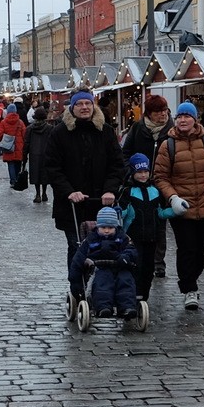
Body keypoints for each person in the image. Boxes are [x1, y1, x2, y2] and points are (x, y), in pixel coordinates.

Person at [152, 101, 204, 310]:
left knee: (202, 249)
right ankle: (189, 289)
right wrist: (173, 198)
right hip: (182, 209)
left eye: (187, 116)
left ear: (195, 119)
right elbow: (160, 176)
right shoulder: (167, 144)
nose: (183, 120)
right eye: (180, 117)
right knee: (186, 248)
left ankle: (191, 279)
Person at [43, 89, 126, 256]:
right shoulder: (59, 133)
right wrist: (69, 192)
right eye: (79, 104)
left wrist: (110, 189)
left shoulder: (106, 131)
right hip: (72, 206)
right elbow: (52, 167)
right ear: (72, 107)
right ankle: (77, 282)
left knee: (104, 248)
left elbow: (117, 164)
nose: (84, 107)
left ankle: (101, 282)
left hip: (102, 204)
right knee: (77, 247)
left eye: (88, 103)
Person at [121, 94, 172, 277]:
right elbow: (125, 153)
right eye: (158, 112)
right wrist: (130, 171)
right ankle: (136, 255)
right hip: (138, 182)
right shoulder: (138, 128)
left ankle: (158, 262)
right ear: (149, 113)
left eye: (164, 110)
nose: (162, 115)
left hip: (163, 183)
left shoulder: (172, 130)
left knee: (160, 222)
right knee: (140, 220)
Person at [119, 153, 169, 304]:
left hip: (152, 236)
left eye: (145, 172)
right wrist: (118, 214)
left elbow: (160, 212)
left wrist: (174, 211)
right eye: (139, 172)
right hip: (133, 237)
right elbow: (121, 211)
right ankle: (134, 293)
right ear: (133, 173)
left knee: (148, 268)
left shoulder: (155, 191)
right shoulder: (127, 192)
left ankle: (144, 296)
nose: (143, 175)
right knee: (136, 266)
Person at [73, 206, 139, 318]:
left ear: (116, 227)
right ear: (98, 227)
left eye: (110, 227)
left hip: (119, 266)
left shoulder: (122, 238)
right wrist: (75, 281)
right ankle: (103, 307)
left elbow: (131, 250)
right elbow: (78, 258)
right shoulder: (90, 240)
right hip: (99, 268)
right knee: (102, 283)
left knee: (126, 281)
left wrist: (125, 257)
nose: (107, 230)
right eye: (103, 227)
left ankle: (127, 307)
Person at [27, 103, 56, 202]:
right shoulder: (50, 128)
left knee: (36, 175)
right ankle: (44, 193)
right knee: (44, 174)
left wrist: (24, 156)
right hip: (46, 153)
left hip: (34, 154)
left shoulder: (30, 128)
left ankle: (38, 194)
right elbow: (53, 142)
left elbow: (26, 143)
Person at [0, 103, 29, 191]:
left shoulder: (4, 122)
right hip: (19, 146)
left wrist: (1, 142)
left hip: (8, 146)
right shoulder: (20, 122)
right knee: (18, 163)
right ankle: (17, 179)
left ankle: (12, 181)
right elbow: (24, 134)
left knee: (10, 163)